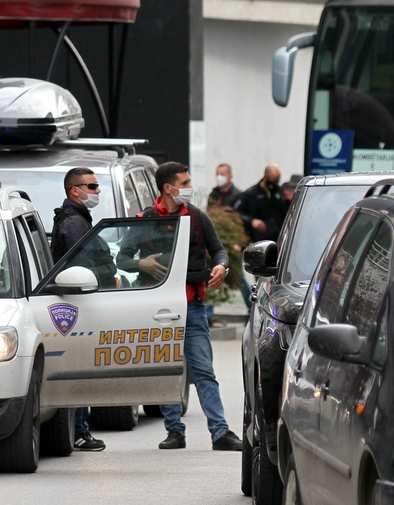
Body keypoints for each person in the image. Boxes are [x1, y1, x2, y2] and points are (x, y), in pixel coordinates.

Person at [117, 161, 243, 452]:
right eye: (184, 183)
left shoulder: (196, 216)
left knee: (204, 371)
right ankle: (174, 431)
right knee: (167, 370)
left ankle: (220, 432)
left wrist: (222, 267)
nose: (190, 187)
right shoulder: (145, 219)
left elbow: (218, 250)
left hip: (192, 306)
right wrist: (141, 263)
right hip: (159, 311)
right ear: (168, 187)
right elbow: (121, 259)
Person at [49, 167, 110, 453]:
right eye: (93, 186)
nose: (98, 191)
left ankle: (79, 430)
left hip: (77, 302)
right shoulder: (74, 222)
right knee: (80, 367)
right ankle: (80, 431)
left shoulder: (78, 218)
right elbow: (83, 265)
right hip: (78, 304)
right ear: (75, 190)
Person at [207, 163, 252, 309]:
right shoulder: (214, 194)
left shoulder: (239, 195)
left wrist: (239, 243)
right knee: (213, 276)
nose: (219, 177)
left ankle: (251, 308)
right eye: (217, 174)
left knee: (238, 278)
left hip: (232, 243)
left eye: (222, 174)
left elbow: (242, 221)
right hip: (216, 240)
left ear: (230, 176)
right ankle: (209, 313)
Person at [235, 164, 290, 243]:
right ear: (265, 176)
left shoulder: (279, 192)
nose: (274, 184)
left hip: (278, 238)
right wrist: (251, 221)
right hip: (257, 239)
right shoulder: (251, 194)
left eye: (276, 181)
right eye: (272, 181)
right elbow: (237, 213)